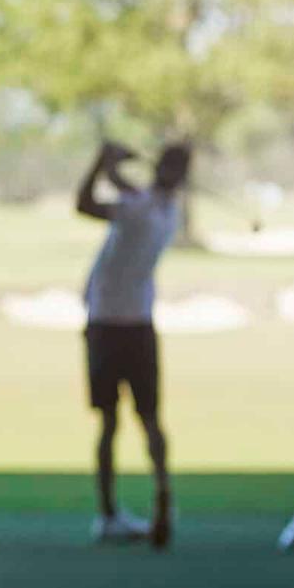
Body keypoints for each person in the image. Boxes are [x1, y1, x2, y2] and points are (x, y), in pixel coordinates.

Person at [76, 140, 190, 549]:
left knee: (109, 422)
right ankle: (164, 498)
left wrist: (102, 159)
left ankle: (108, 515)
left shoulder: (138, 208)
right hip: (140, 326)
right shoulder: (168, 212)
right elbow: (127, 188)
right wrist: (114, 166)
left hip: (106, 324)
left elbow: (84, 203)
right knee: (150, 419)